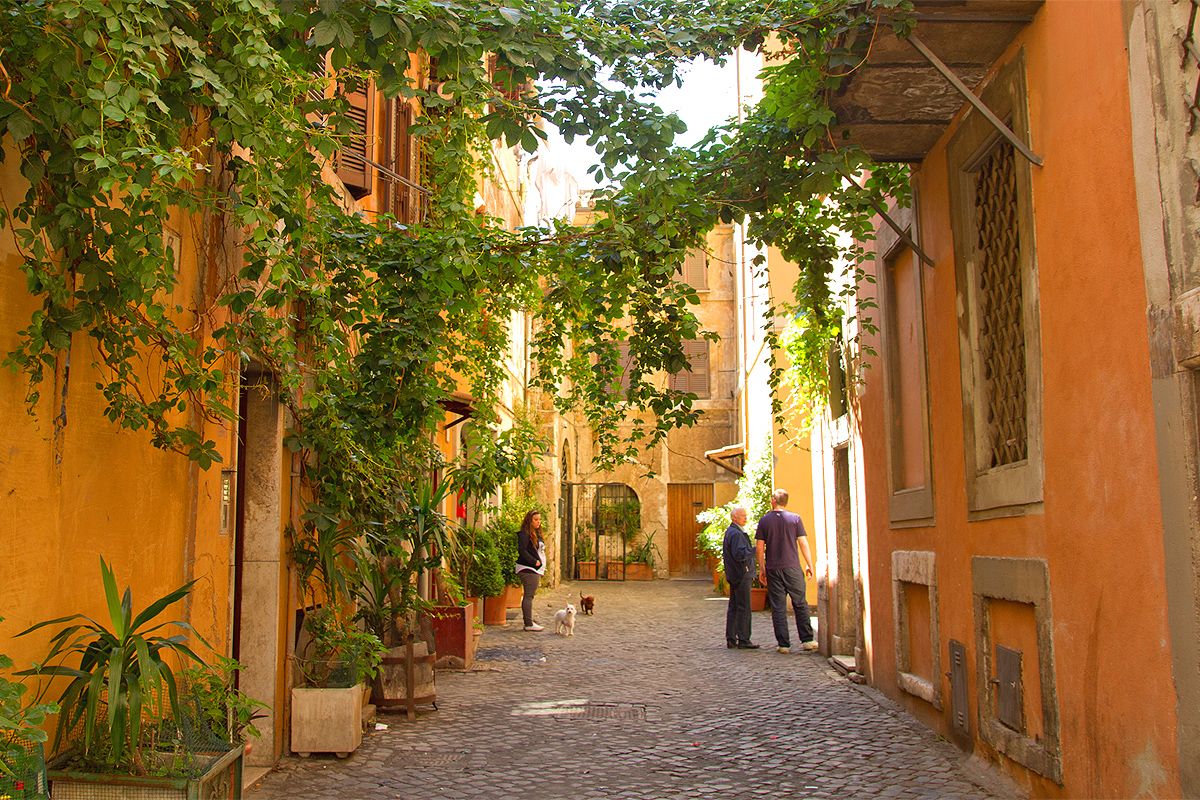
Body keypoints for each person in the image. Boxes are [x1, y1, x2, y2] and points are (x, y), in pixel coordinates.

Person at [755, 489, 818, 653]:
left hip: (773, 568)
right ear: (786, 502)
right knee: (800, 603)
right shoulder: (795, 519)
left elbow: (760, 547)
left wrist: (762, 568)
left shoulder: (764, 521)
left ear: (773, 501)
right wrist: (810, 564)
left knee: (778, 606)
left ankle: (783, 644)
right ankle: (807, 640)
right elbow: (803, 543)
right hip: (792, 566)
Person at [722, 506, 759, 649]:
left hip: (734, 574)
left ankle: (731, 638)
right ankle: (743, 639)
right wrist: (756, 550)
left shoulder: (731, 532)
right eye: (743, 515)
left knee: (734, 606)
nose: (746, 518)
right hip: (741, 574)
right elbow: (740, 554)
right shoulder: (737, 534)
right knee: (744, 607)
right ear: (735, 517)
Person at [515, 509, 547, 631]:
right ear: (529, 520)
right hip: (528, 569)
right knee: (529, 596)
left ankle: (529, 620)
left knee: (530, 596)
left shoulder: (536, 534)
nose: (538, 522)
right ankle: (528, 624)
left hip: (535, 569)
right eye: (535, 519)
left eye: (539, 519)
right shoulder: (524, 534)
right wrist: (534, 562)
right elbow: (522, 551)